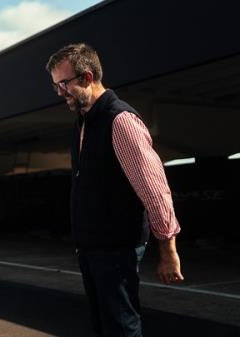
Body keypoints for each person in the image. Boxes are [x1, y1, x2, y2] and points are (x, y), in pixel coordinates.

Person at [45, 43, 183, 337]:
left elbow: (154, 189)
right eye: (56, 86)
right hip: (92, 247)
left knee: (122, 327)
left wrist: (168, 249)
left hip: (117, 247)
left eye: (63, 84)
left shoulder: (120, 121)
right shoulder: (83, 121)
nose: (60, 92)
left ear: (86, 78)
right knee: (103, 326)